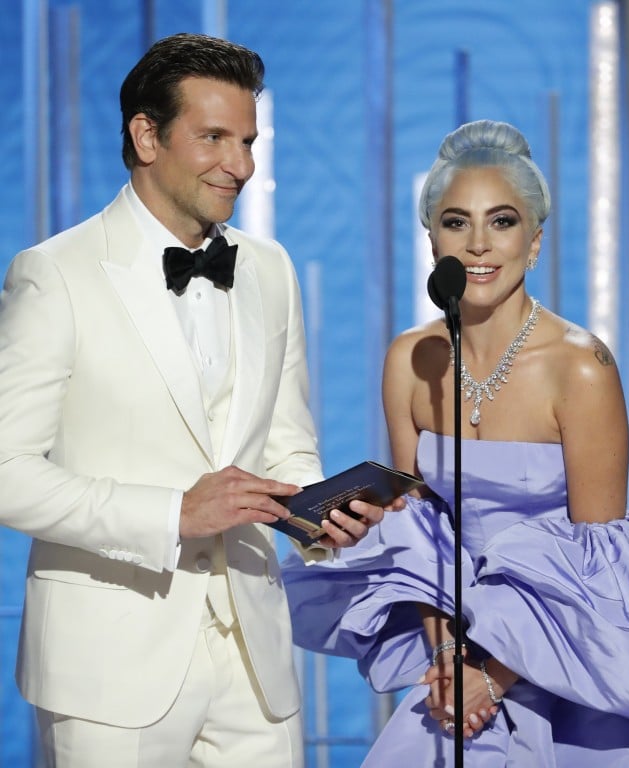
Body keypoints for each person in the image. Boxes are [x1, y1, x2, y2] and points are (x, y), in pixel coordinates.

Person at [282, 119, 629, 766]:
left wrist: (495, 673)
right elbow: (417, 536)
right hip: (459, 653)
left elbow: (599, 562)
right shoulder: (410, 360)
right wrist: (453, 663)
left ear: (535, 242)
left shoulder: (581, 367)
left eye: (503, 221)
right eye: (457, 222)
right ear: (432, 240)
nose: (479, 243)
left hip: (572, 659)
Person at [0, 32, 388, 768]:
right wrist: (172, 513)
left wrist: (319, 512)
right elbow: (5, 468)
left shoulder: (271, 269)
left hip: (255, 662)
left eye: (247, 140)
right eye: (213, 138)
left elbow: (284, 442)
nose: (239, 165)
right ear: (146, 135)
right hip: (110, 666)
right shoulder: (55, 274)